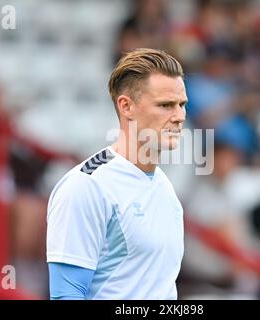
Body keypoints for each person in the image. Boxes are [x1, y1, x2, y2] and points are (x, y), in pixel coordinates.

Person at [46, 48, 187, 300]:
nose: (179, 116)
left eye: (182, 105)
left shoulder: (163, 186)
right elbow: (66, 294)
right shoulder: (87, 186)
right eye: (166, 105)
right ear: (126, 106)